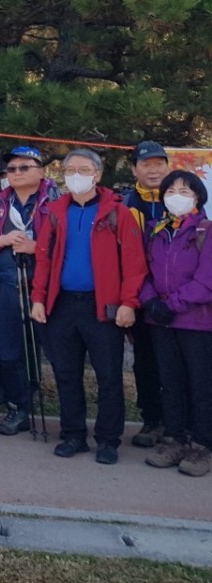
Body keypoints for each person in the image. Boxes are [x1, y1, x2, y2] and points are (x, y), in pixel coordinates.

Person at [30, 148, 147, 465]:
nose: (75, 176)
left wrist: (128, 303)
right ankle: (73, 435)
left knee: (108, 376)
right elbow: (43, 259)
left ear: (97, 175)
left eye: (83, 170)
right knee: (66, 374)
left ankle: (108, 440)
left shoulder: (118, 213)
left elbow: (135, 264)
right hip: (62, 305)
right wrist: (38, 298)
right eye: (70, 170)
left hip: (103, 306)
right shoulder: (56, 212)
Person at [0, 145, 59, 435]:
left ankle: (69, 415)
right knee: (8, 350)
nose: (17, 173)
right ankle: (17, 407)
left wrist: (38, 248)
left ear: (41, 170)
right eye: (11, 169)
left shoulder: (56, 201)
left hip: (46, 286)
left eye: (25, 167)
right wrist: (1, 240)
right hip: (6, 285)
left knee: (55, 349)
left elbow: (68, 242)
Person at [138, 170, 212, 477]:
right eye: (170, 191)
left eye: (184, 191)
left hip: (196, 322)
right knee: (170, 383)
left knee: (201, 385)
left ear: (198, 197)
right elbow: (143, 271)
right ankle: (174, 439)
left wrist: (171, 304)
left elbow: (206, 281)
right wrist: (150, 301)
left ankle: (203, 445)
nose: (176, 197)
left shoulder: (206, 231)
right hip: (161, 322)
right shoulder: (157, 230)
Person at [121, 140, 170, 449]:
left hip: (178, 298)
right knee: (145, 361)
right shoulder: (126, 204)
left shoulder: (183, 199)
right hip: (139, 295)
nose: (153, 170)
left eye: (159, 164)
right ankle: (152, 419)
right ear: (134, 169)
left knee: (180, 362)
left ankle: (183, 423)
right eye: (146, 164)